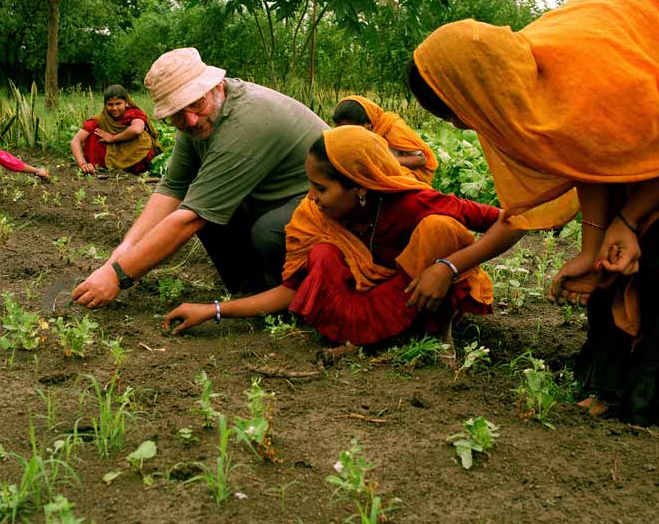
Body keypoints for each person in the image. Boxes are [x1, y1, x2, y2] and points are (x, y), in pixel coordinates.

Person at [408, 0, 659, 445]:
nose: (460, 128)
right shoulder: (529, 74)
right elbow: (588, 153)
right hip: (651, 108)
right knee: (612, 262)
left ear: (475, 90)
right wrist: (595, 244)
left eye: (455, 115)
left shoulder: (588, 65)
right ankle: (614, 385)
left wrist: (632, 218)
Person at [163, 126, 524, 354]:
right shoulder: (315, 215)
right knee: (321, 253)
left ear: (359, 187)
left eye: (321, 187)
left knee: (440, 230)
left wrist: (449, 266)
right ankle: (367, 342)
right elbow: (293, 290)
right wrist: (213, 311)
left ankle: (436, 336)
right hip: (360, 309)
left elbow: (515, 220)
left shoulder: (414, 201)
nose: (312, 196)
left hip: (420, 299)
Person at [72, 47, 328, 307]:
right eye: (177, 114)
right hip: (276, 199)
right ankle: (250, 291)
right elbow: (172, 188)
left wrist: (118, 276)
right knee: (205, 206)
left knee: (268, 230)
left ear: (215, 86)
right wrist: (119, 256)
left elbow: (190, 219)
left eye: (196, 103)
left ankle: (298, 300)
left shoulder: (245, 122)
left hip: (331, 210)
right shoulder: (197, 120)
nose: (191, 120)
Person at [332, 95, 438, 184]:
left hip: (407, 176)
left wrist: (384, 160)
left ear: (368, 124)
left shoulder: (391, 127)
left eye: (352, 130)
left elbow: (421, 159)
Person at [70, 84, 160, 174]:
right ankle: (99, 166)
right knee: (93, 135)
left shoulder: (133, 113)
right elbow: (75, 141)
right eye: (110, 104)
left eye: (118, 104)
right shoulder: (101, 119)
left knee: (142, 137)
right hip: (105, 162)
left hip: (133, 158)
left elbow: (137, 130)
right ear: (105, 105)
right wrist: (83, 164)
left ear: (126, 103)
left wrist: (113, 138)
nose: (114, 108)